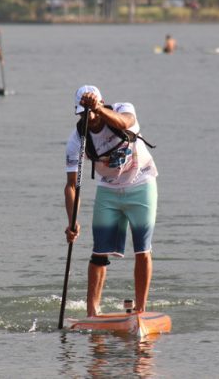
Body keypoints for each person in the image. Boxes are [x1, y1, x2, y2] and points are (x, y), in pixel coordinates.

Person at [64, 85, 159, 317]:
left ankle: (140, 310)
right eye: (82, 114)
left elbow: (125, 123)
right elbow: (71, 185)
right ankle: (92, 313)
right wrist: (72, 221)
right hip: (109, 190)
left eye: (91, 112)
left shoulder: (123, 109)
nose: (89, 118)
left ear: (102, 103)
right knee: (98, 252)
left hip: (141, 183)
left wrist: (97, 107)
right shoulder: (78, 139)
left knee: (142, 250)